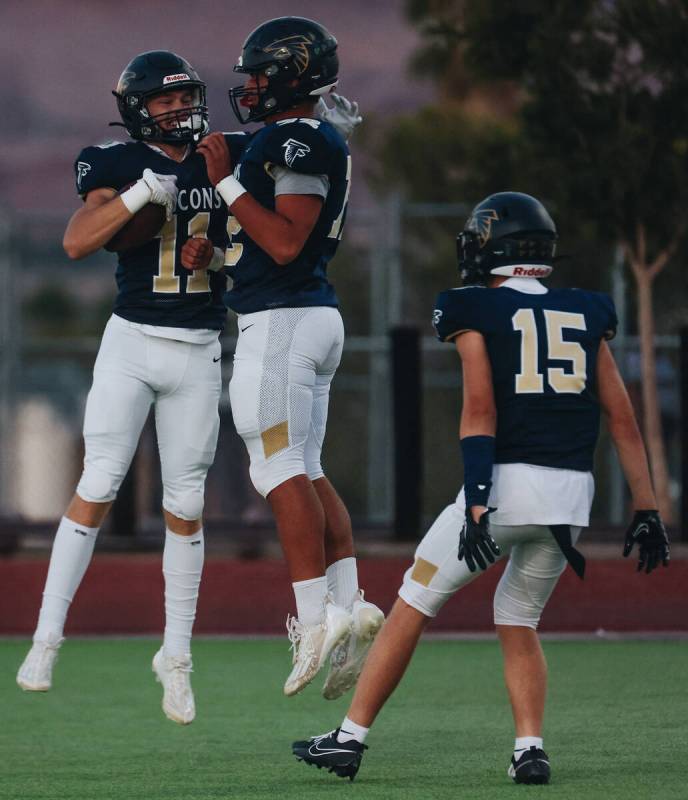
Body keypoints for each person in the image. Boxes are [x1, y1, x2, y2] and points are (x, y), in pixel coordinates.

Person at [292, 191, 671, 782]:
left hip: (503, 491)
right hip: (571, 500)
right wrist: (647, 509)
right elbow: (621, 419)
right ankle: (529, 749)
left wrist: (475, 500)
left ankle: (348, 738)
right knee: (519, 617)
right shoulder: (587, 310)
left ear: (492, 249)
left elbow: (479, 409)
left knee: (412, 604)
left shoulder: (472, 307)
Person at [16, 50, 231, 725]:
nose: (180, 109)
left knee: (187, 500)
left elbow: (265, 241)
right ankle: (47, 637)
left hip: (199, 346)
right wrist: (143, 193)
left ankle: (177, 655)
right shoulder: (110, 161)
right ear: (140, 109)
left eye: (184, 97)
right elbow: (79, 240)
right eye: (165, 101)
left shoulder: (227, 155)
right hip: (133, 341)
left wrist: (217, 252)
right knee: (100, 480)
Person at [198, 15, 383, 699]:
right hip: (306, 316)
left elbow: (283, 241)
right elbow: (269, 242)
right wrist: (217, 252)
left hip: (282, 324)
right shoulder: (299, 137)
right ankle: (350, 607)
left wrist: (225, 184)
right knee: (305, 468)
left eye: (258, 75)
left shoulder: (300, 139)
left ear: (289, 78)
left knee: (277, 472)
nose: (247, 87)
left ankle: (314, 624)